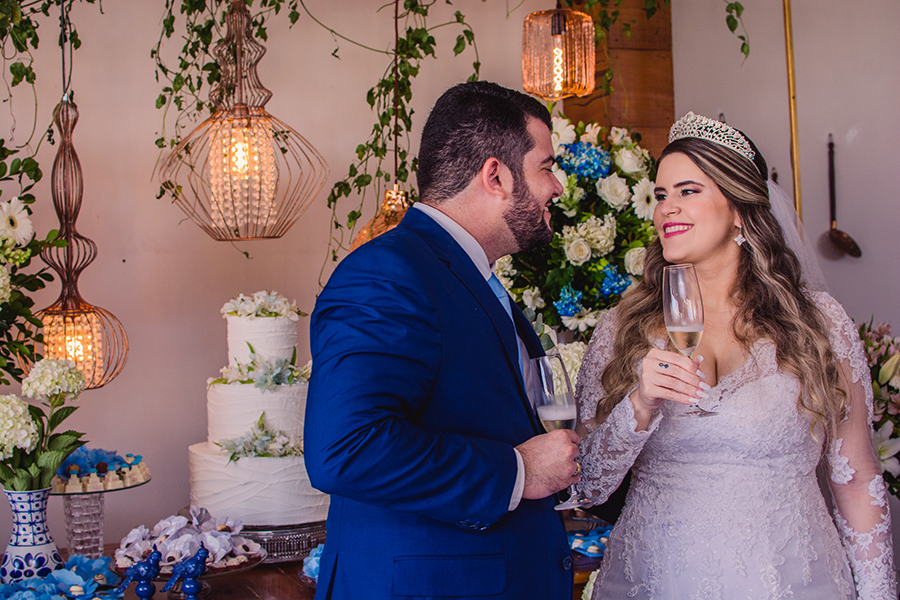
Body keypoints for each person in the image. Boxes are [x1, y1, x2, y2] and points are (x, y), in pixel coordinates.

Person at [574, 112, 897, 599]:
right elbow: (587, 487)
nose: (667, 209)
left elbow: (856, 481)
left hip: (793, 580)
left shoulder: (817, 323)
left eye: (688, 191)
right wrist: (639, 407)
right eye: (660, 195)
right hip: (653, 579)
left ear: (740, 209)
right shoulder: (623, 327)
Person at [304, 81, 580, 600]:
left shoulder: (469, 276)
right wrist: (517, 472)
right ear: (495, 175)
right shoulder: (389, 271)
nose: (557, 186)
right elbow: (344, 448)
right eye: (545, 166)